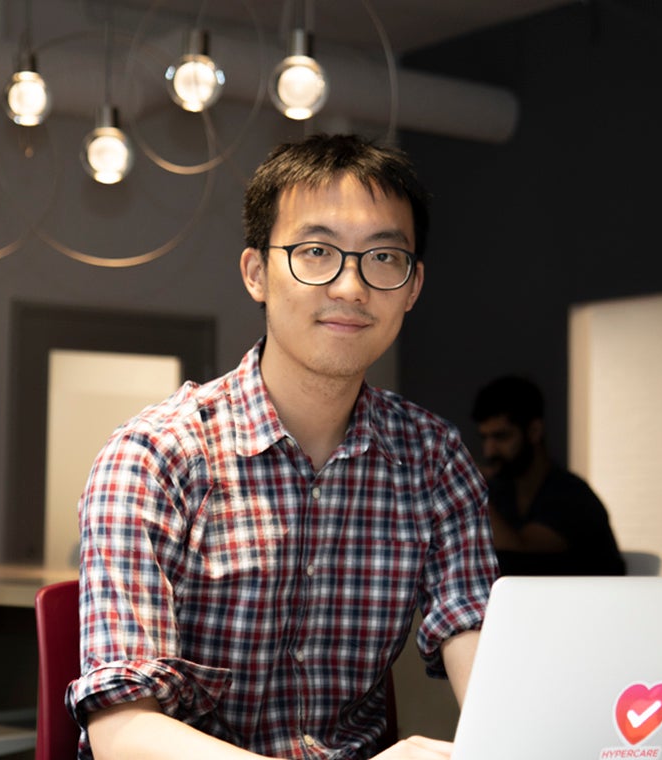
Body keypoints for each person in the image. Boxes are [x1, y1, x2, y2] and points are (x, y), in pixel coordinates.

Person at [65, 134, 500, 760]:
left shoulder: (431, 458)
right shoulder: (154, 457)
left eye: (383, 258)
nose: (351, 286)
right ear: (255, 274)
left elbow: (475, 636)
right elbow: (121, 732)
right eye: (316, 252)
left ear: (412, 287)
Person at [471, 375, 625, 576]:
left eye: (501, 436)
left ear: (534, 431)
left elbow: (517, 554)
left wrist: (473, 488)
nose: (489, 451)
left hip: (589, 605)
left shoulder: (572, 496)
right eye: (485, 438)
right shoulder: (502, 491)